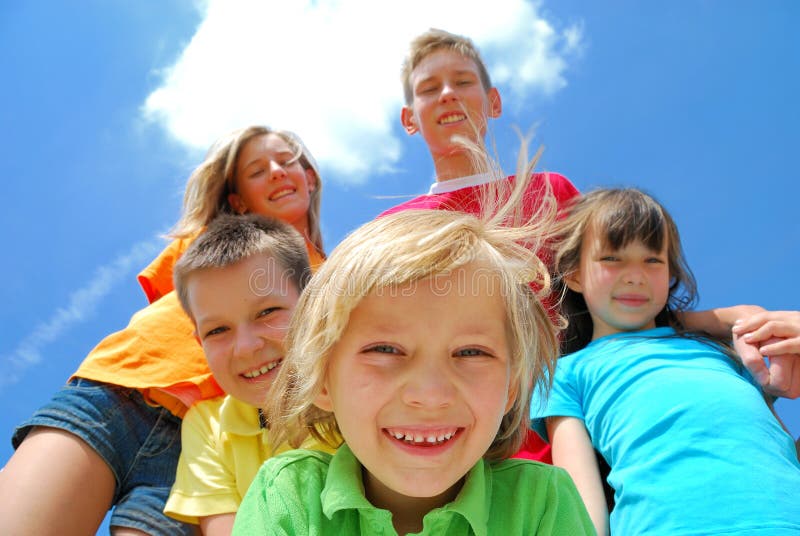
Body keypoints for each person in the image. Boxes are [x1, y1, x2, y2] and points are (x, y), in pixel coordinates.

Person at [381, 28, 800, 462]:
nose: (448, 94)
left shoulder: (550, 191)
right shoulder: (394, 227)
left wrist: (731, 318)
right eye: (429, 89)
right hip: (451, 442)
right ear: (410, 118)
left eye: (463, 81)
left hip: (581, 437)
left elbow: (620, 297)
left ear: (494, 102)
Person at [232, 157, 595, 535]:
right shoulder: (286, 497)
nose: (430, 394)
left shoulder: (543, 502)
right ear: (321, 376)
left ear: (512, 387)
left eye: (471, 352)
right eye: (385, 350)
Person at [0, 126, 323, 536]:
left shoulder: (337, 274)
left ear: (309, 176)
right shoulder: (208, 241)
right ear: (237, 200)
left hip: (209, 445)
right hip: (116, 395)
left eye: (285, 161)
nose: (276, 172)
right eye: (257, 170)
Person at [532, 188, 800, 535]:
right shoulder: (564, 373)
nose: (635, 275)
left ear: (669, 274)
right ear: (574, 274)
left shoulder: (721, 354)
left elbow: (781, 448)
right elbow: (581, 503)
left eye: (652, 260)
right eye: (612, 259)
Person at [163, 214, 334, 535]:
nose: (245, 347)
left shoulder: (362, 390)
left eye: (267, 312)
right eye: (218, 330)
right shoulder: (208, 427)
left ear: (311, 305)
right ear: (200, 342)